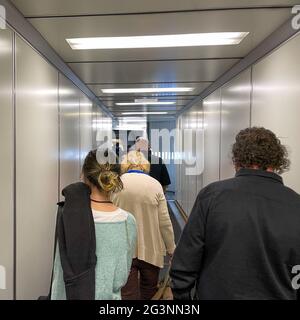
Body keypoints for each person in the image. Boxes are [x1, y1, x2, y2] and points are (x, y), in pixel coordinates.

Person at [170, 127, 300, 300]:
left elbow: (185, 262)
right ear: (277, 161)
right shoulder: (295, 204)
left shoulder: (212, 196)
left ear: (236, 159)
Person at [51, 149, 137, 300]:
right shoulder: (128, 222)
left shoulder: (70, 216)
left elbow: (59, 275)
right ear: (116, 178)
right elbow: (121, 277)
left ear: (85, 176)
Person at [111, 150, 176, 300]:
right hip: (151, 248)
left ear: (125, 165)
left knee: (127, 293)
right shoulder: (155, 185)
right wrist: (171, 249)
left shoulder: (116, 184)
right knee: (149, 290)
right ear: (145, 166)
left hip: (125, 249)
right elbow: (164, 222)